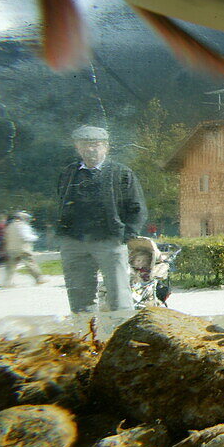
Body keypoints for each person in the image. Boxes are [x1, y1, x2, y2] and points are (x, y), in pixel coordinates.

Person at [57, 125, 148, 313]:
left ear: (106, 147)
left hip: (109, 241)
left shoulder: (121, 172)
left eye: (96, 144)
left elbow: (137, 206)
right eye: (84, 144)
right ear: (77, 147)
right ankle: (86, 337)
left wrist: (126, 235)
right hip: (75, 243)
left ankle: (122, 336)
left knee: (119, 295)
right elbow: (61, 203)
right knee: (79, 298)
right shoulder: (69, 173)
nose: (90, 149)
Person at [3, 211, 46, 285]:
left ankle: (7, 282)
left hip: (11, 249)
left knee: (11, 266)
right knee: (30, 264)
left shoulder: (10, 226)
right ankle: (39, 279)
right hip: (23, 248)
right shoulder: (23, 226)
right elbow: (26, 237)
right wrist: (36, 237)